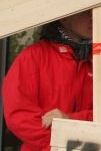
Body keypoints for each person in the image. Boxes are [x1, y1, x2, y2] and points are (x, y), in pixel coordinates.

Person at [2, 10, 93, 151]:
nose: (93, 16)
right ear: (65, 18)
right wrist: (59, 145)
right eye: (87, 12)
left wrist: (70, 120)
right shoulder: (33, 56)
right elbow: (19, 116)